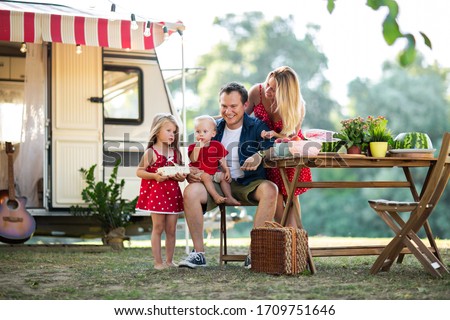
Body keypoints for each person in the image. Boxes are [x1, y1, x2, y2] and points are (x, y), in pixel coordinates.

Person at [179, 82, 278, 268]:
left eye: (233, 106)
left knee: (271, 189)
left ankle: (255, 253)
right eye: (224, 106)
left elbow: (273, 147)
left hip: (248, 181)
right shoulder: (213, 128)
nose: (228, 111)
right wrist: (191, 172)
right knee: (191, 191)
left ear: (245, 106)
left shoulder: (257, 126)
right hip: (215, 181)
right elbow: (194, 157)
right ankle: (198, 254)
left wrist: (260, 155)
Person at [246, 66, 312, 227]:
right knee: (276, 198)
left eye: (274, 89)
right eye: (268, 84)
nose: (268, 90)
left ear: (286, 93)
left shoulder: (297, 106)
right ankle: (288, 240)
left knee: (291, 196)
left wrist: (276, 135)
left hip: (287, 151)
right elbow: (239, 117)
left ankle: (292, 243)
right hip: (265, 152)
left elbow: (292, 137)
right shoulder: (257, 92)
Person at [136, 113, 187, 270]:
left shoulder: (176, 153)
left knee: (171, 229)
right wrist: (154, 176)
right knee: (158, 227)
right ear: (157, 131)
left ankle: (169, 261)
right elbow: (139, 171)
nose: (172, 134)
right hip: (157, 194)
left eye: (174, 131)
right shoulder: (151, 152)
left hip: (172, 194)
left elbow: (180, 174)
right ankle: (158, 263)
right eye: (168, 130)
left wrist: (180, 177)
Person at [188, 115, 240, 206]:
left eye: (205, 131)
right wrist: (197, 148)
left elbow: (222, 159)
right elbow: (193, 160)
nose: (201, 134)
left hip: (214, 172)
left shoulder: (217, 145)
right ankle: (215, 196)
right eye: (197, 131)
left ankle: (229, 197)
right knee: (206, 176)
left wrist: (227, 170)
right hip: (200, 173)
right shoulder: (193, 147)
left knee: (223, 177)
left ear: (213, 133)